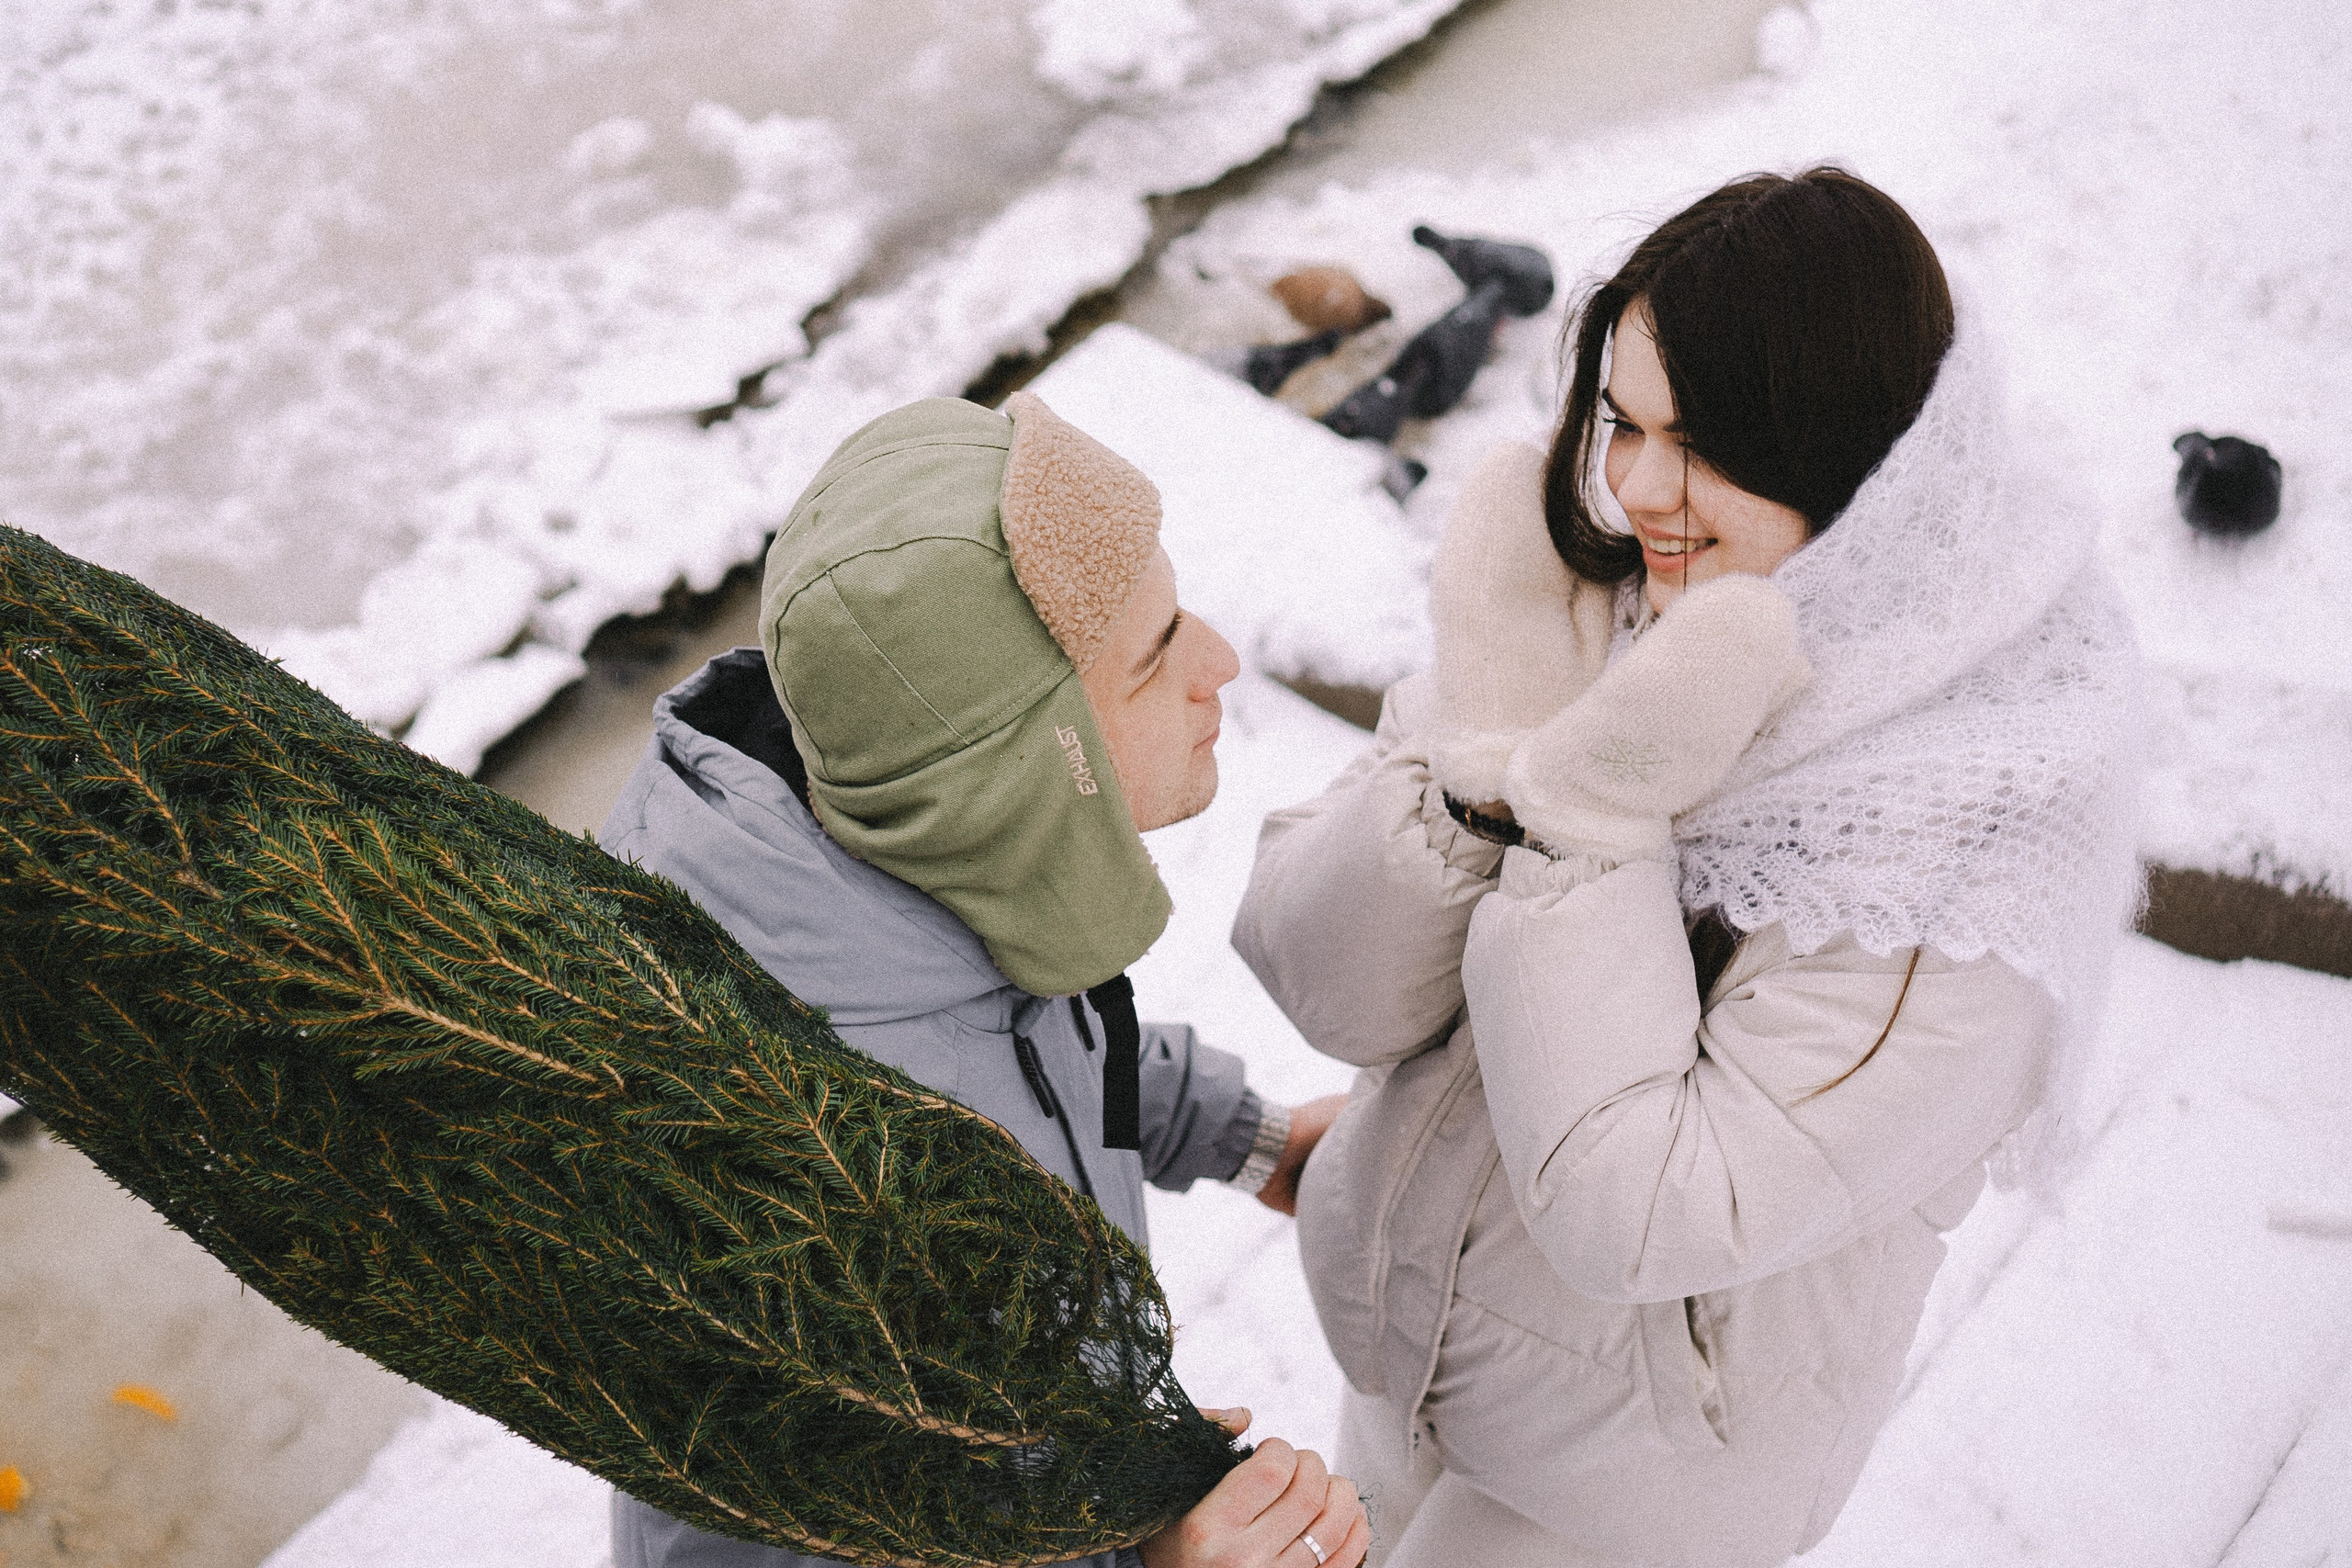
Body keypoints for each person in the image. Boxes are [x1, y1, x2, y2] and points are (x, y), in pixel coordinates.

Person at [1232, 168, 2143, 1567]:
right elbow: (1323, 980)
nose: (1643, 490)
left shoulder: (1958, 831)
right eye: (1622, 423)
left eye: (1704, 440)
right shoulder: (1613, 598)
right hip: (1412, 1349)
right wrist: (1488, 762)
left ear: (1851, 454)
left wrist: (1589, 817)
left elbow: (1646, 1208)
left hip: (1629, 1488)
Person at [601, 391, 1364, 1568]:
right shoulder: (774, 1168)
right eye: (1156, 656)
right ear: (1026, 770)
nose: (1220, 661)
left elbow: (1032, 1046)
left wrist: (1248, 1138)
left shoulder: (907, 853)